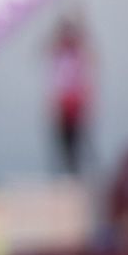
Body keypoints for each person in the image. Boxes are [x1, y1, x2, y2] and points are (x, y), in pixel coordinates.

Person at [48, 13, 93, 177]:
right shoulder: (59, 54)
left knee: (77, 144)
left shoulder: (78, 54)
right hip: (62, 105)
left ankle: (76, 175)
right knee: (63, 144)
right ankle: (66, 175)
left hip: (76, 105)